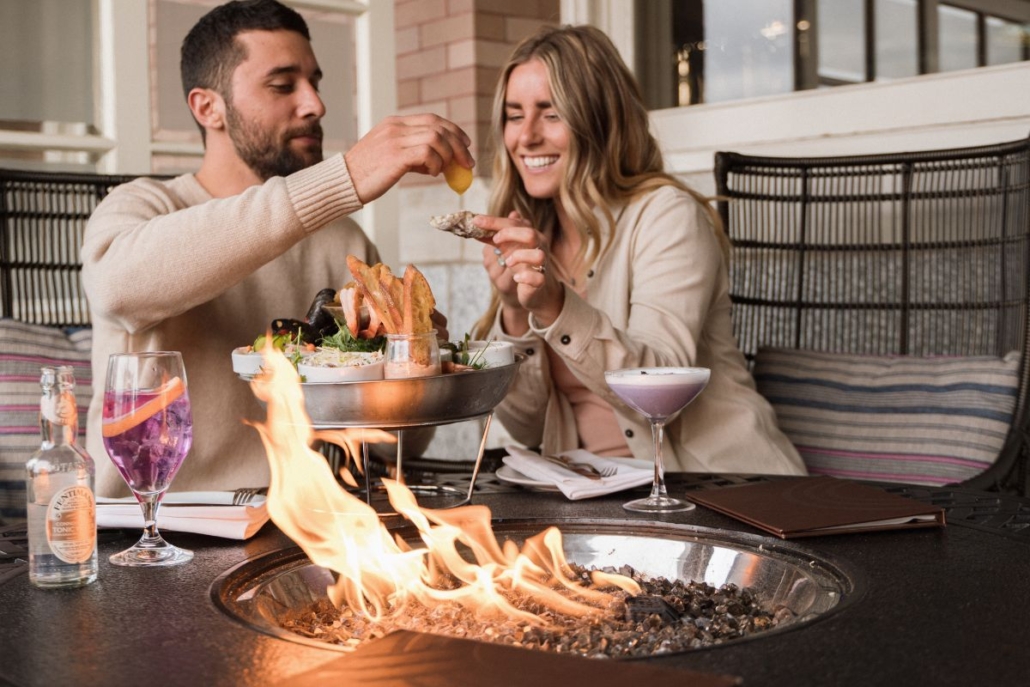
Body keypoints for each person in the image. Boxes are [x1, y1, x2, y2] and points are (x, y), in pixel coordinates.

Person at [82, 0, 473, 497]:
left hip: (311, 530)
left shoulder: (343, 239)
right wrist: (343, 177)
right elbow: (118, 288)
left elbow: (399, 448)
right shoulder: (143, 206)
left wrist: (419, 361)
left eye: (315, 82)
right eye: (283, 85)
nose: (314, 104)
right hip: (155, 538)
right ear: (208, 107)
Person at [471, 25, 805, 476]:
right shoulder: (530, 235)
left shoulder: (667, 215)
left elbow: (661, 391)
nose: (526, 137)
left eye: (551, 114)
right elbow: (526, 426)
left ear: (599, 119)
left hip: (720, 490)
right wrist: (514, 312)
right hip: (595, 495)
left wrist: (554, 307)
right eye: (514, 115)